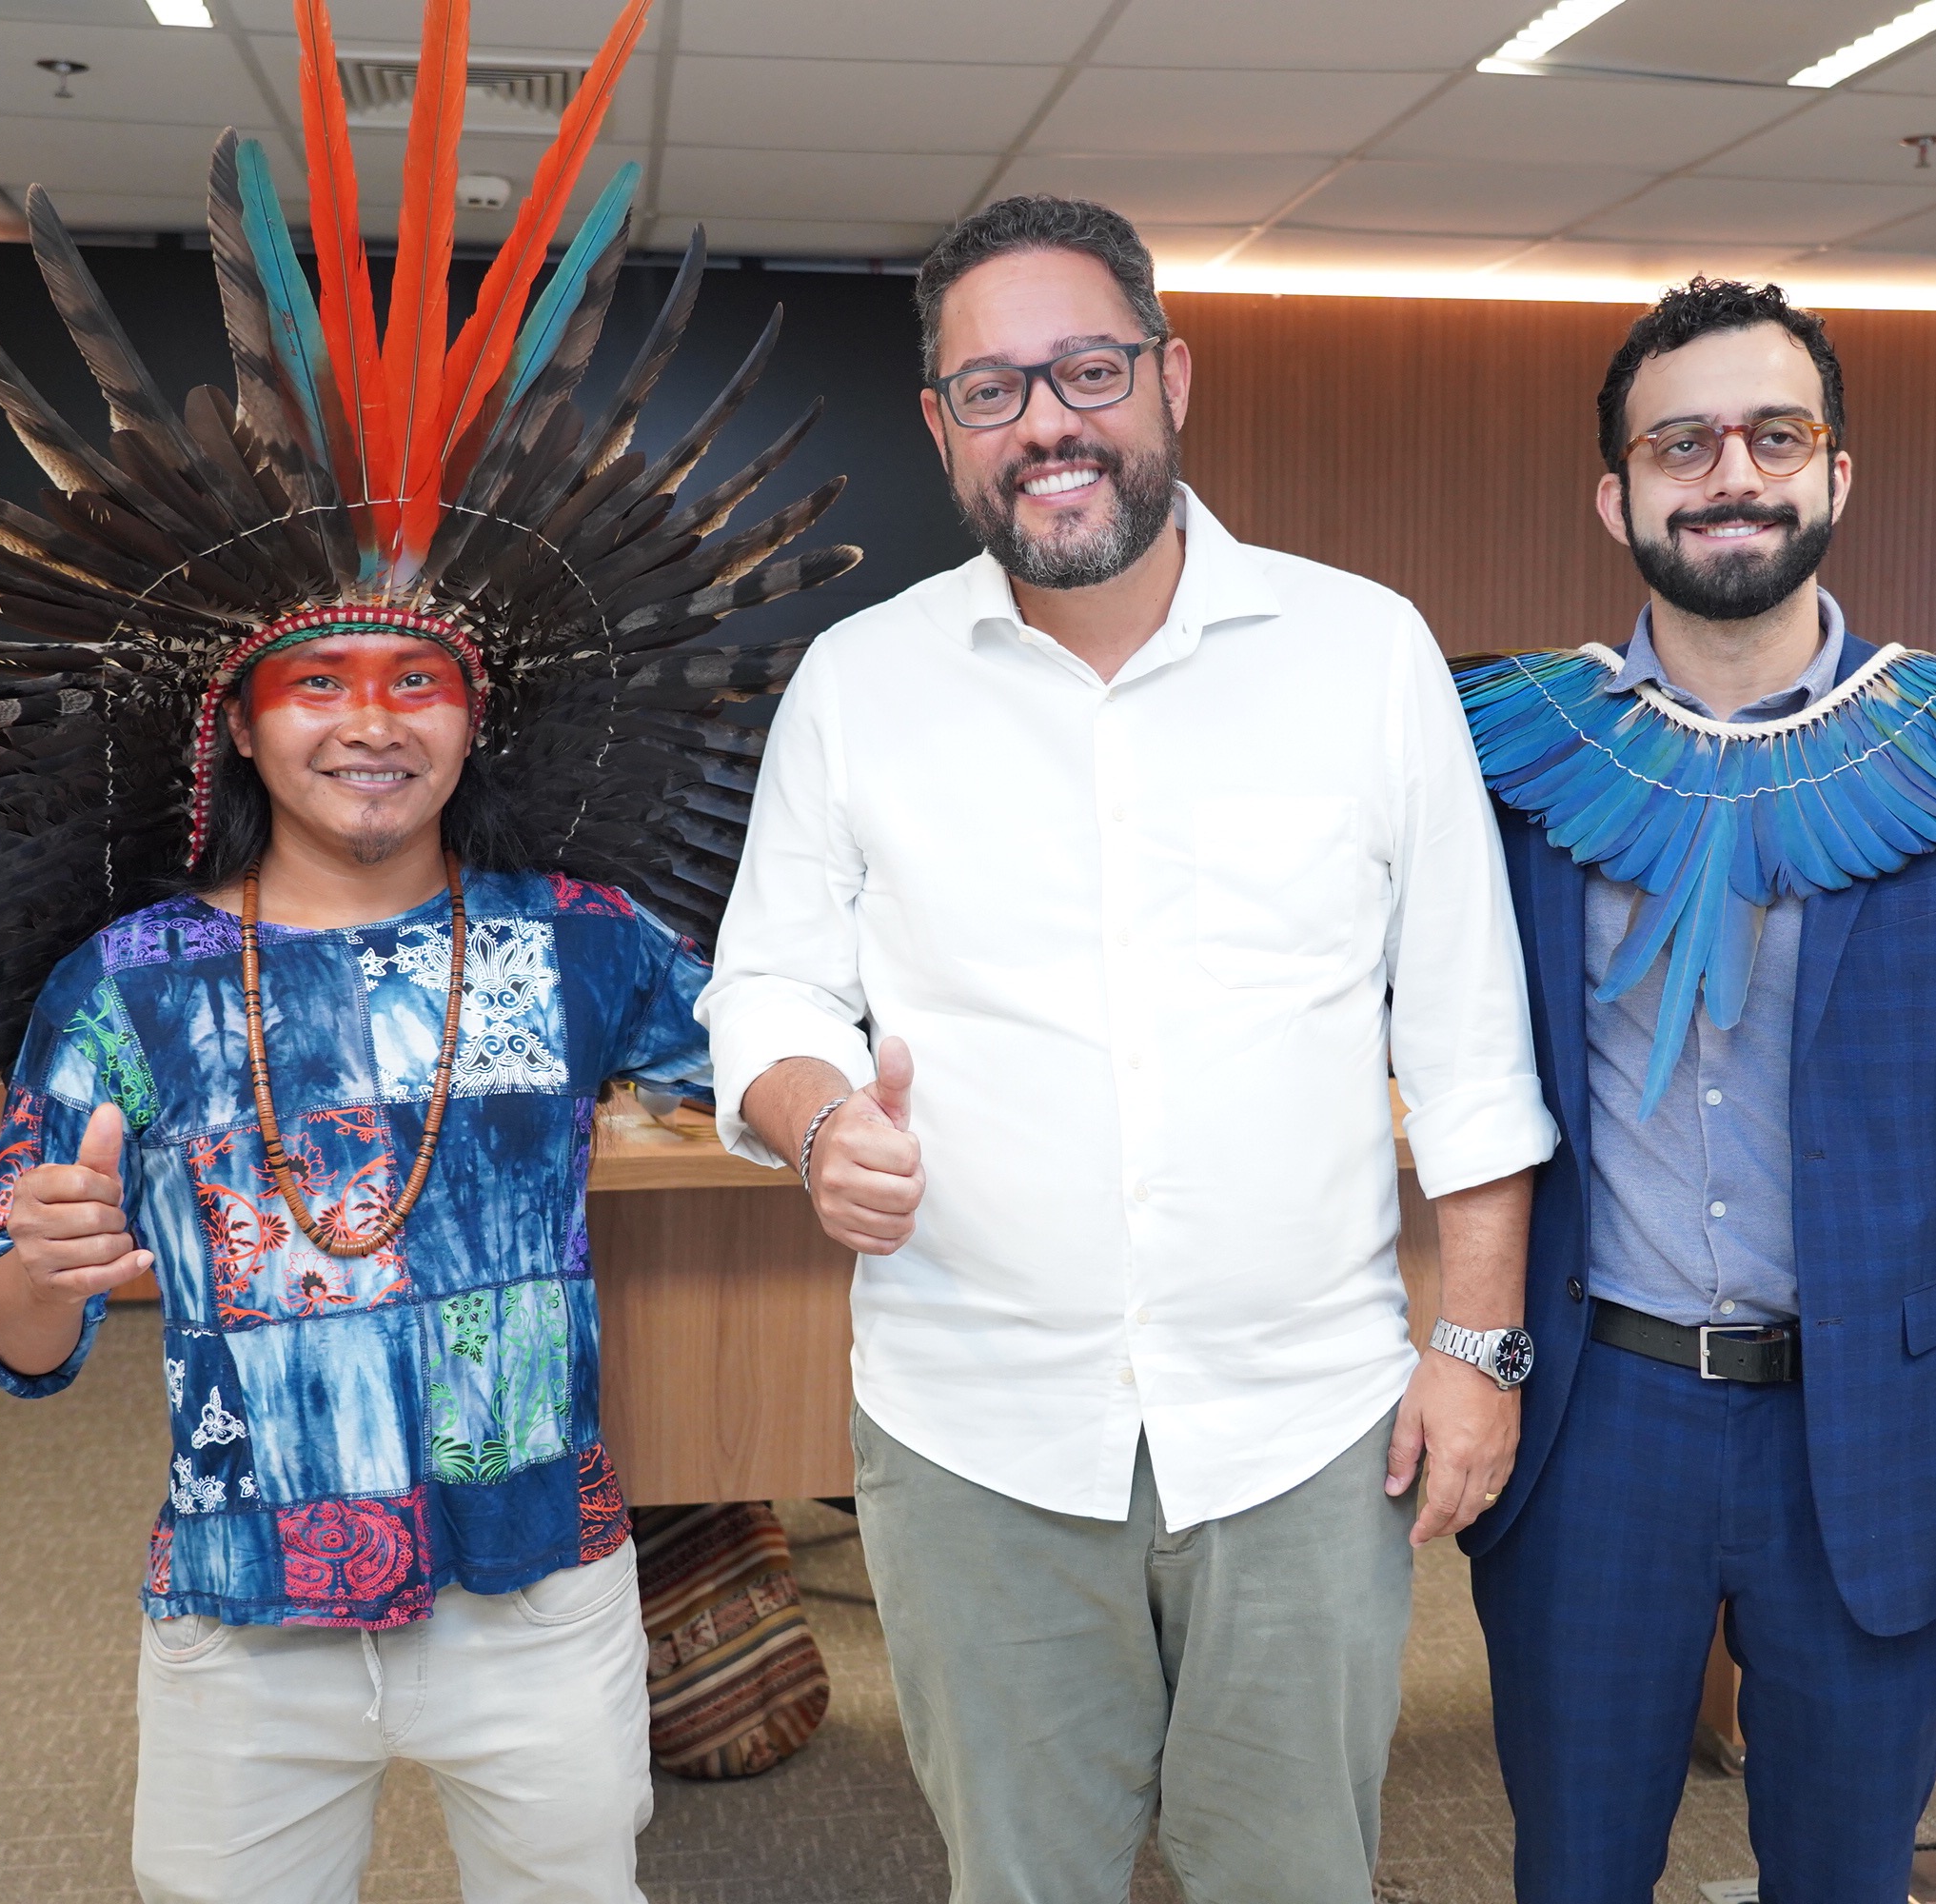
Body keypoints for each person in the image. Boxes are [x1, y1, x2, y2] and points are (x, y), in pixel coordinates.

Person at [0, 0, 861, 1893]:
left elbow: (770, 1047)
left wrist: (839, 1106)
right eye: (317, 681)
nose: (370, 720)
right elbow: (2, 1323)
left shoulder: (580, 946)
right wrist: (46, 1271)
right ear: (239, 726)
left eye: (417, 679)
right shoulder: (132, 984)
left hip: (540, 1587)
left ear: (475, 718)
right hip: (246, 1610)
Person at [700, 194, 1559, 1904]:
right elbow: (768, 992)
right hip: (974, 1430)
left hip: (1303, 1429)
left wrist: (1480, 1349)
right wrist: (815, 1124)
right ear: (942, 426)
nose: (1048, 425)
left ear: (1171, 376)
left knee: (1296, 1878)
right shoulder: (860, 685)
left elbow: (1471, 1037)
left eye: (1086, 371)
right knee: (1026, 1881)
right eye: (994, 391)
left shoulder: (1362, 652)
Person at [1452, 278, 1936, 1902]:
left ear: (1837, 474)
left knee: (1845, 1875)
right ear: (1616, 494)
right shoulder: (1511, 754)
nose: (1731, 473)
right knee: (1573, 1872)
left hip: (1877, 1430)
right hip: (1596, 1422)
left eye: (1775, 434)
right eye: (1681, 444)